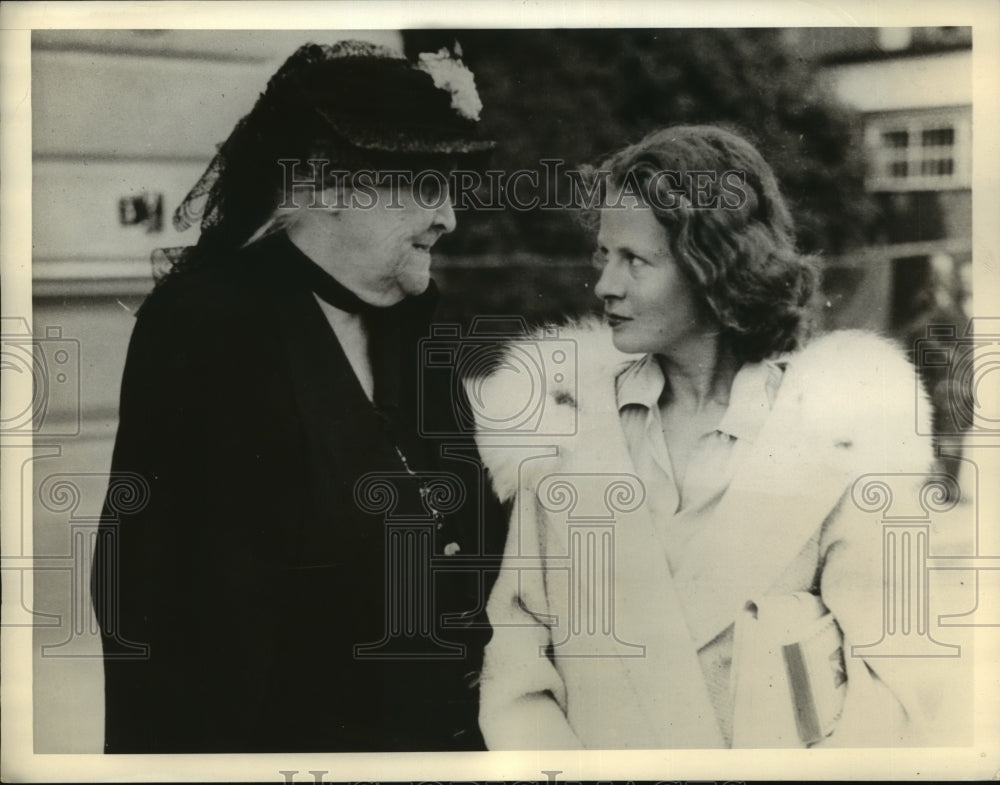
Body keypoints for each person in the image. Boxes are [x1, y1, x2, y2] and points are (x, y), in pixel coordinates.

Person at [473, 125, 961, 749]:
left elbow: (897, 688)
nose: (605, 286)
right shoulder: (562, 432)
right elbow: (517, 674)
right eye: (604, 255)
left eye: (636, 261)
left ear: (714, 268)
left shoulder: (839, 442)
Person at [91, 40, 504, 753]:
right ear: (322, 182)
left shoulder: (410, 325)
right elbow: (165, 616)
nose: (449, 221)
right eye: (425, 187)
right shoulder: (209, 325)